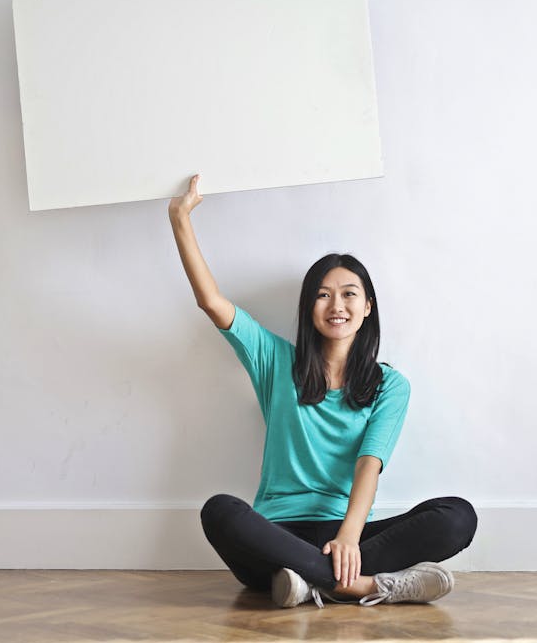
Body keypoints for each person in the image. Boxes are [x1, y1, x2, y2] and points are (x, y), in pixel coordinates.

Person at [168, 175, 477, 608]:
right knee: (220, 511)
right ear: (308, 308)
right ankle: (365, 587)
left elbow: (370, 463)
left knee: (457, 516)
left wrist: (349, 535)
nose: (337, 305)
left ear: (367, 307)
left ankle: (306, 582)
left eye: (349, 294)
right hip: (277, 534)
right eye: (323, 295)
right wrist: (179, 218)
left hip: (350, 534)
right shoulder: (276, 361)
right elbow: (212, 302)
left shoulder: (390, 384)